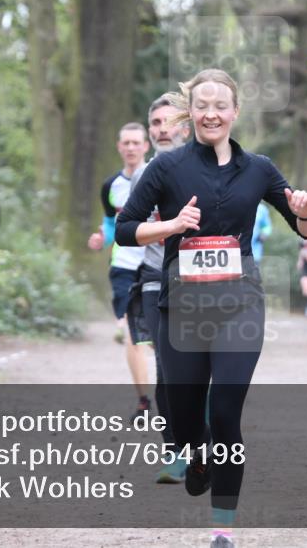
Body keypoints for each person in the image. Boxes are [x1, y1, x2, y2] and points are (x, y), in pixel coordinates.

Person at [116, 69, 307, 548]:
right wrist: (168, 227)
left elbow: (304, 228)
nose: (211, 113)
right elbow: (126, 229)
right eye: (202, 105)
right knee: (183, 417)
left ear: (235, 113)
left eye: (220, 105)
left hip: (239, 305)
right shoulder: (165, 169)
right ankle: (195, 449)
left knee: (226, 412)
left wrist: (306, 210)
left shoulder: (260, 169)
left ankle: (223, 529)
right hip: (181, 307)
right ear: (191, 111)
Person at [126, 93, 192, 484]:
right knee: (167, 369)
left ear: (185, 126)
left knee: (203, 367)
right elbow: (128, 231)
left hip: (202, 280)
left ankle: (206, 444)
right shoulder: (143, 175)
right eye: (155, 123)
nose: (162, 128)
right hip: (155, 276)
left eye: (170, 121)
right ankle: (174, 452)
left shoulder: (206, 167)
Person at [87, 122, 151, 417]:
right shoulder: (110, 186)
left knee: (158, 336)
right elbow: (112, 226)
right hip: (124, 266)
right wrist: (102, 238)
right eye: (126, 143)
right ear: (118, 147)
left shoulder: (158, 178)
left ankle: (169, 391)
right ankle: (143, 400)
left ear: (146, 146)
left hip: (155, 264)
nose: (131, 148)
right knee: (131, 331)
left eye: (136, 142)